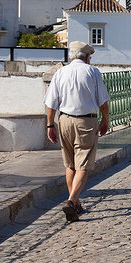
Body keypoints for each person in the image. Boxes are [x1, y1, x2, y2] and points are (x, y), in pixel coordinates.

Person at [44, 41, 111, 222]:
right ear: (87, 58)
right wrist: (105, 119)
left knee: (70, 164)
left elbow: (50, 104)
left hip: (64, 120)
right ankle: (72, 200)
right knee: (84, 165)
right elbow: (103, 101)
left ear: (70, 57)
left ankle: (76, 203)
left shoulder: (60, 73)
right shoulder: (93, 72)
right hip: (86, 121)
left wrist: (50, 125)